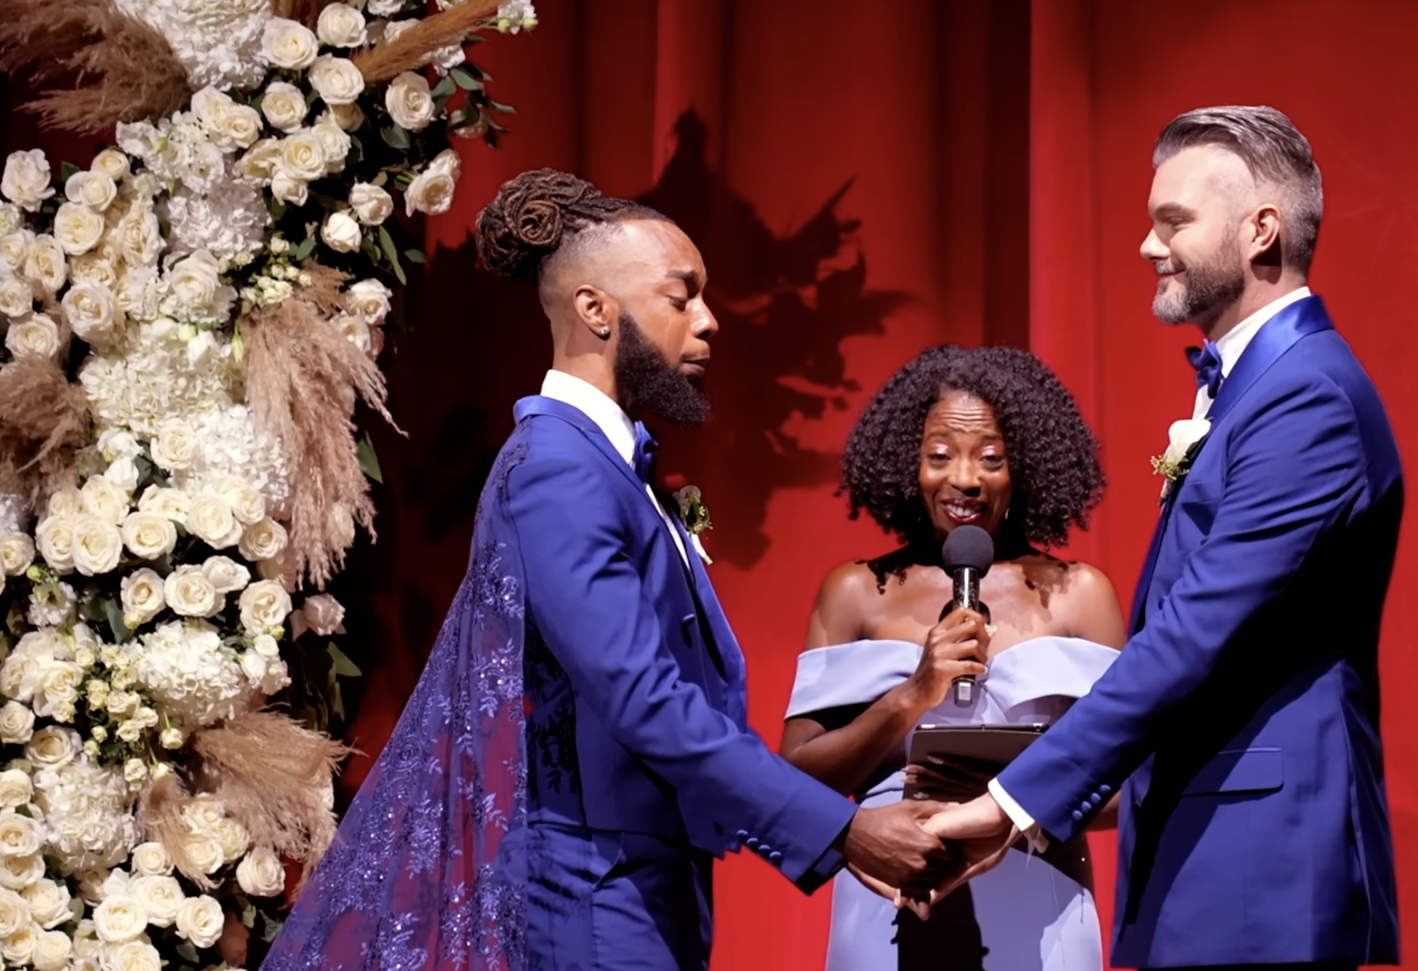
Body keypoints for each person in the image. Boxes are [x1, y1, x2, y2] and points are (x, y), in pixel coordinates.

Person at [262, 170, 950, 971]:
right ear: (596, 309)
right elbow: (643, 698)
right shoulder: (558, 467)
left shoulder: (609, 467)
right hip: (590, 884)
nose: (710, 321)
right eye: (682, 297)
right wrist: (842, 829)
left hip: (641, 877)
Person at [924, 106, 1404, 971]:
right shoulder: (1263, 386)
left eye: (1173, 221)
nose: (1149, 246)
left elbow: (1191, 634)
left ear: (1261, 231)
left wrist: (1009, 803)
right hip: (1212, 838)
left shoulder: (1306, 397)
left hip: (1260, 857)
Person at [781, 345, 1126, 971]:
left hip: (1041, 900)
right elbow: (799, 781)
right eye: (940, 455)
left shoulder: (1079, 594)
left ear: (1023, 466)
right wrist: (913, 692)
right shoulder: (856, 591)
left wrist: (1010, 805)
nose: (963, 478)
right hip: (888, 896)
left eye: (990, 458)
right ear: (907, 463)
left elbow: (1129, 784)